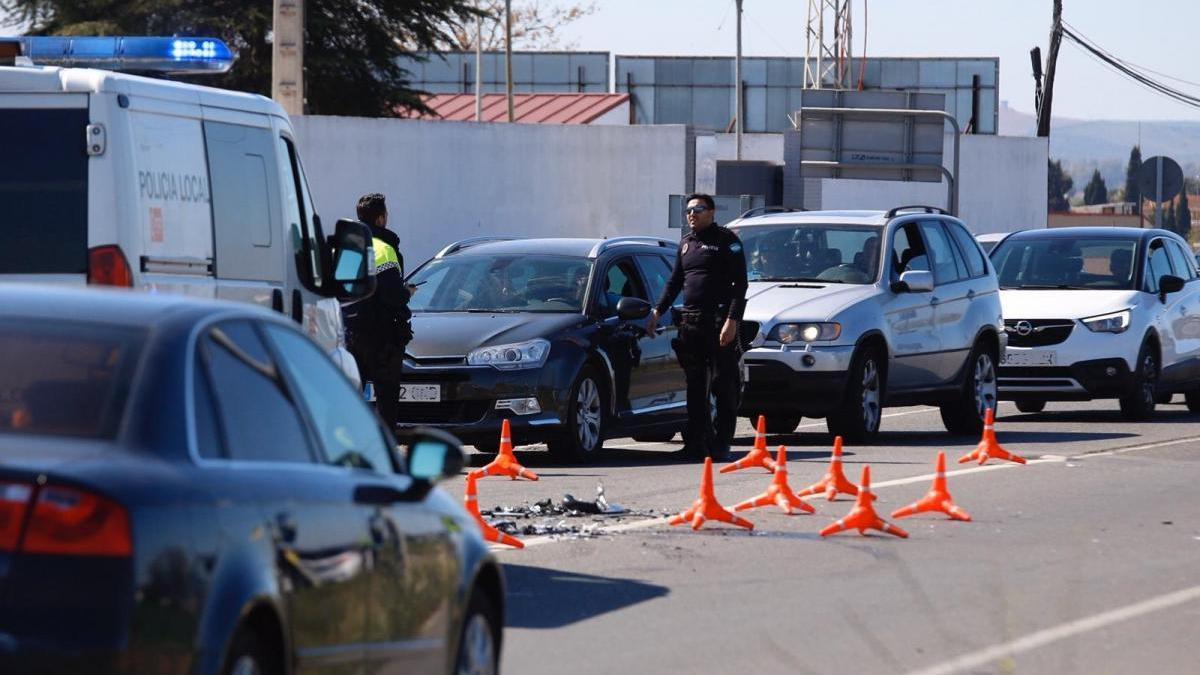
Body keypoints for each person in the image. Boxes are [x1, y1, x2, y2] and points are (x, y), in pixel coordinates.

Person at [646, 193, 749, 461]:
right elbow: (674, 282)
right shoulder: (686, 244)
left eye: (698, 209)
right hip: (691, 323)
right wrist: (658, 310)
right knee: (694, 386)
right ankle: (696, 442)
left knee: (722, 384)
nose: (692, 214)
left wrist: (732, 321)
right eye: (689, 210)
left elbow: (741, 285)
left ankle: (722, 443)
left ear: (712, 212)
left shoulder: (728, 242)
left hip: (719, 322)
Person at [343, 193, 416, 430]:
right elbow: (393, 295)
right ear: (381, 219)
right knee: (386, 399)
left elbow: (342, 292)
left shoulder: (348, 247)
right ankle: (385, 454)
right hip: (382, 335)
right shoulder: (384, 248)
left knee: (351, 394)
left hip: (351, 333)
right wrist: (407, 292)